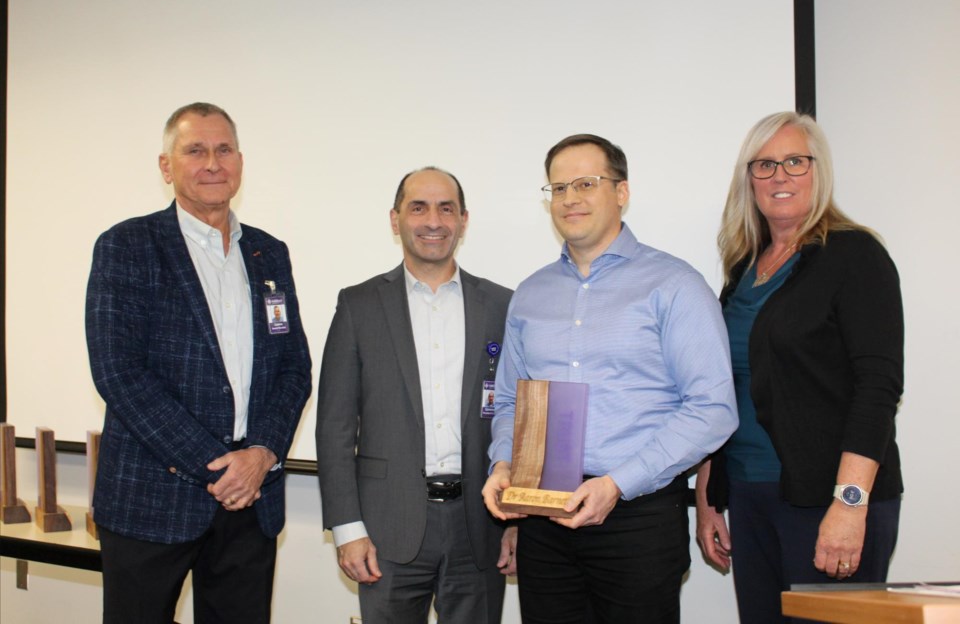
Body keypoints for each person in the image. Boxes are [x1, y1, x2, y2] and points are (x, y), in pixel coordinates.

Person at [482, 134, 738, 623]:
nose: (570, 198)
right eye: (558, 188)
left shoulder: (675, 285)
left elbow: (713, 408)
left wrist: (618, 483)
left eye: (586, 183)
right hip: (543, 519)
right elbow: (512, 401)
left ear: (621, 192)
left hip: (636, 520)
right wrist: (502, 466)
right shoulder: (531, 295)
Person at [85, 102, 312, 624]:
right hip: (152, 499)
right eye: (196, 150)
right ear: (167, 166)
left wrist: (261, 454)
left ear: (240, 161)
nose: (213, 162)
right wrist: (217, 466)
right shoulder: (127, 246)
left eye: (224, 149)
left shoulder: (268, 253)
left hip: (251, 501)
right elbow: (119, 372)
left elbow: (294, 368)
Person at [694, 112, 904, 623]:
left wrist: (850, 504)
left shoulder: (854, 255)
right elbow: (719, 389)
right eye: (764, 165)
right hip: (749, 494)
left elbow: (878, 388)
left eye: (794, 161)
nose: (780, 176)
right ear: (749, 180)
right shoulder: (744, 268)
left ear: (819, 170)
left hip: (827, 499)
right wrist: (706, 499)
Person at [316, 167, 516, 624]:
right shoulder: (358, 305)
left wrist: (517, 522)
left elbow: (518, 417)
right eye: (418, 207)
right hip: (387, 529)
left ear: (463, 220)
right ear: (395, 219)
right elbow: (334, 426)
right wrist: (348, 528)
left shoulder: (502, 306)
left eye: (446, 208)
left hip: (481, 526)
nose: (433, 221)